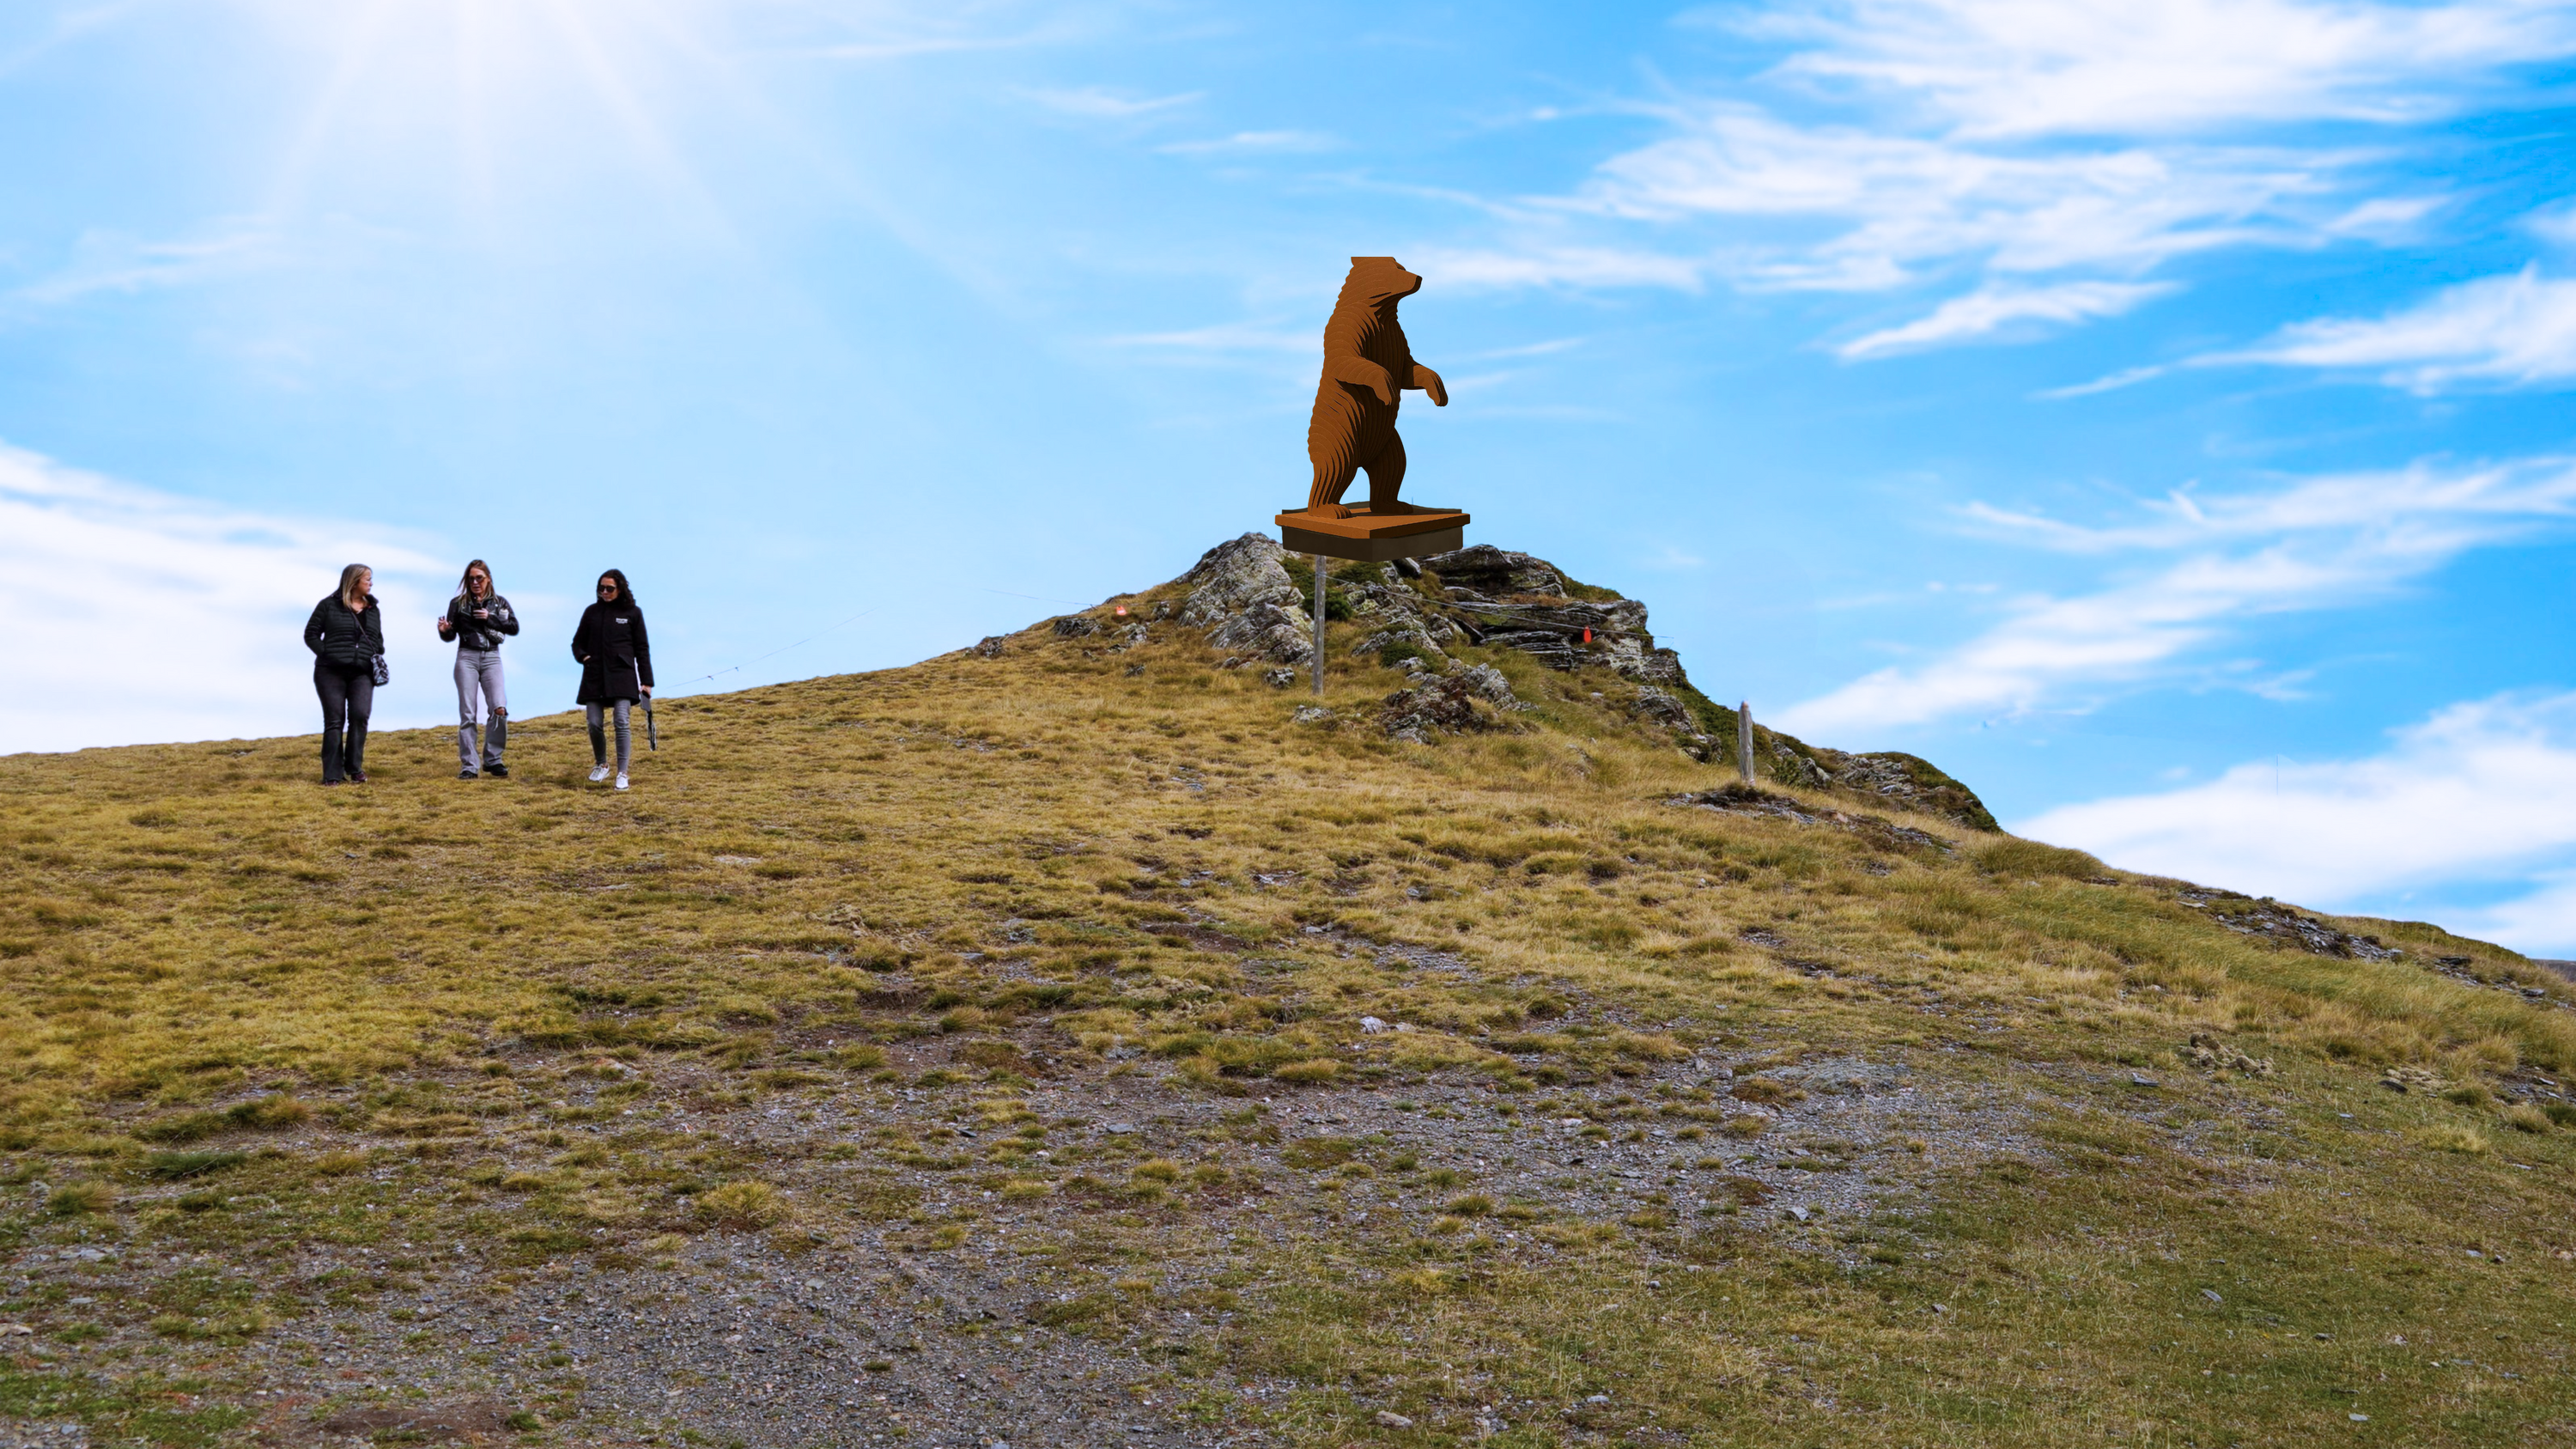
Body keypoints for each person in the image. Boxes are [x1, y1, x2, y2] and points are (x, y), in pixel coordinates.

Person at [435, 559, 519, 780]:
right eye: (471, 578)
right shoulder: (458, 603)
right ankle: (470, 766)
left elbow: (514, 627)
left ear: (488, 579)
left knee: (499, 707)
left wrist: (490, 618)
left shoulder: (499, 603)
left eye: (479, 578)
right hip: (467, 657)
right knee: (468, 713)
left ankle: (493, 759)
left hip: (492, 657)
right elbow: (450, 635)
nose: (475, 582)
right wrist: (444, 631)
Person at [571, 568, 652, 791]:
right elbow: (577, 643)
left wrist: (647, 682)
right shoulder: (591, 612)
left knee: (621, 722)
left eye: (609, 588)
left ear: (620, 589)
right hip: (594, 676)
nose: (604, 592)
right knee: (594, 723)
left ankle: (623, 773)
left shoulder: (633, 613)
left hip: (622, 675)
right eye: (601, 588)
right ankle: (601, 764)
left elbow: (642, 648)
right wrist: (584, 657)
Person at [302, 563, 383, 785]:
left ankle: (354, 767)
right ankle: (332, 774)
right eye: (367, 579)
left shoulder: (373, 609)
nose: (371, 583)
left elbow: (378, 639)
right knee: (335, 720)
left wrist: (374, 653)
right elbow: (310, 635)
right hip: (330, 673)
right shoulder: (328, 606)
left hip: (362, 673)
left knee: (360, 716)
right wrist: (327, 656)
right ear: (355, 581)